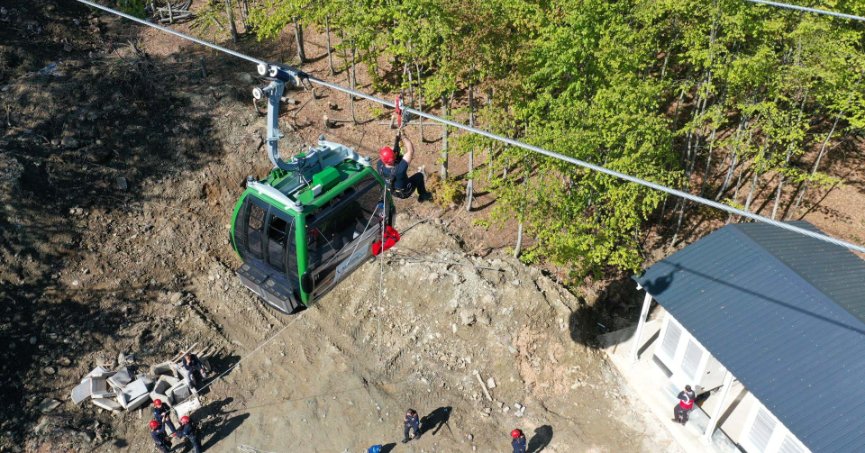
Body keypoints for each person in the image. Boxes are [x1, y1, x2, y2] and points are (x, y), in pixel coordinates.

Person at [377, 132, 432, 202]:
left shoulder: (379, 165)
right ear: (393, 158)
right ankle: (423, 195)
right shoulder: (400, 170)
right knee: (419, 176)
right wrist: (403, 136)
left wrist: (397, 139)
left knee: (398, 160)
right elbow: (410, 151)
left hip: (393, 190)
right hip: (405, 192)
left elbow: (392, 153)